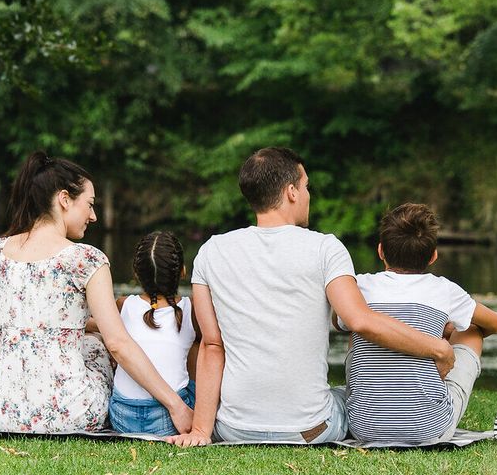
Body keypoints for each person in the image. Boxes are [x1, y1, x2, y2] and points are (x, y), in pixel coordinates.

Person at [168, 147, 456, 447]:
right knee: (349, 397)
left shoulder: (211, 252)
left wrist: (202, 431)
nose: (308, 195)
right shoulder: (326, 248)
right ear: (291, 192)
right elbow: (360, 320)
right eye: (306, 187)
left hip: (234, 429)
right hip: (310, 430)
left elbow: (212, 346)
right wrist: (438, 348)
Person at [0, 151, 192, 435]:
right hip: (69, 413)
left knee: (84, 335)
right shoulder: (86, 259)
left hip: (2, 409)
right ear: (64, 199)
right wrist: (175, 405)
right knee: (94, 343)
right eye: (89, 205)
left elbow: (40, 320)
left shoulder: (1, 250)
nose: (93, 216)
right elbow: (117, 343)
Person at [336, 203, 497, 444]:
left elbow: (337, 321)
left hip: (364, 427)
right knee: (472, 331)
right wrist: (447, 329)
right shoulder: (445, 289)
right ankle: (429, 393)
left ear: (381, 251)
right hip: (430, 429)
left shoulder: (360, 286)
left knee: (355, 325)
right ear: (433, 256)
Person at [108, 231, 199, 436]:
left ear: (136, 274)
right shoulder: (190, 309)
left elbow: (100, 327)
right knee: (201, 343)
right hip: (168, 420)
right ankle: (195, 410)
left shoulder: (124, 304)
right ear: (183, 272)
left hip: (122, 417)